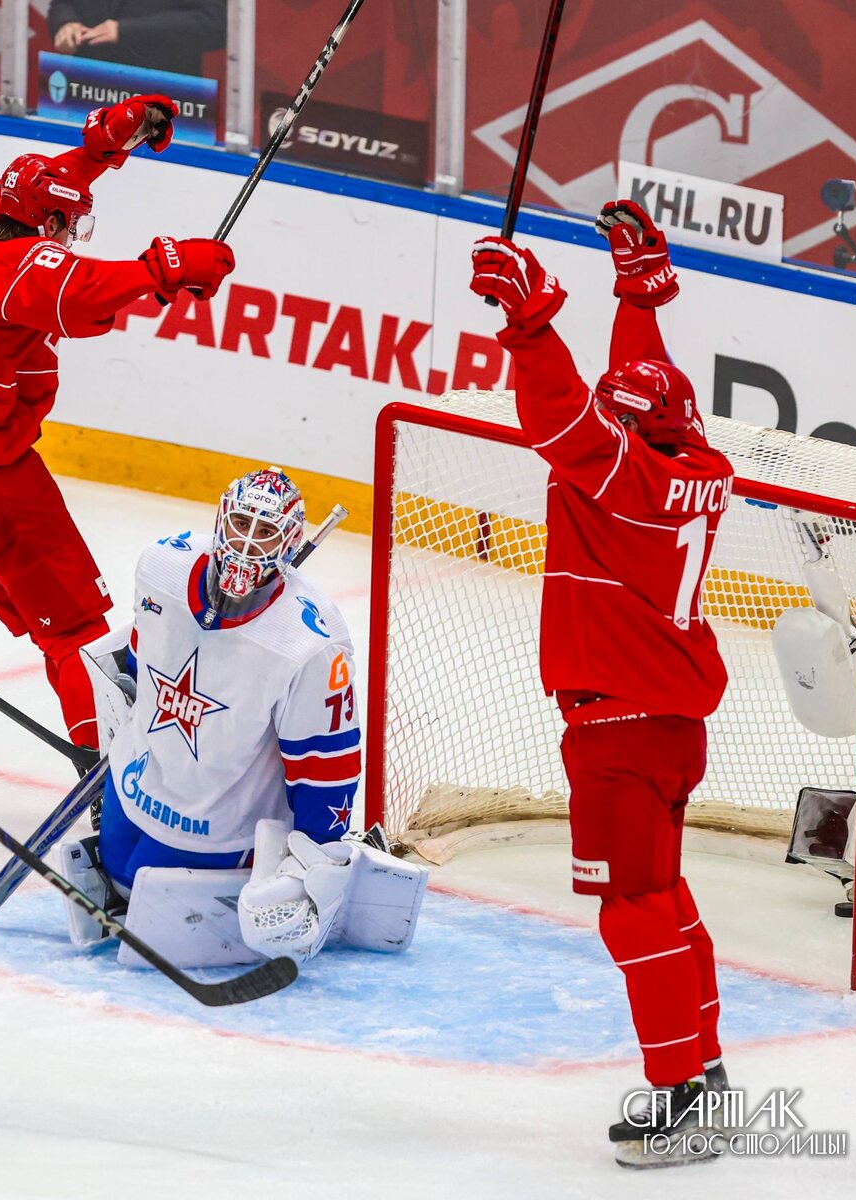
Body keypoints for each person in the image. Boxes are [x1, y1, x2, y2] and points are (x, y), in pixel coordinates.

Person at [469, 201, 732, 1170]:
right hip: (665, 721)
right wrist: (636, 296)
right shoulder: (688, 463)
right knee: (663, 895)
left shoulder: (619, 480)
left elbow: (566, 419)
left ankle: (680, 1099)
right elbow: (644, 397)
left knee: (633, 910)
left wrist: (530, 322)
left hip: (618, 728)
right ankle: (700, 1070)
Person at [0, 95, 235, 755]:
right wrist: (159, 272)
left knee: (46, 621)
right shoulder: (15, 271)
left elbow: (33, 195)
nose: (67, 234)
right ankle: (106, 780)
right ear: (44, 223)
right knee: (76, 634)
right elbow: (74, 291)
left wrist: (104, 146)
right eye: (64, 224)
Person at [59, 467, 426, 967]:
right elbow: (143, 650)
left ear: (291, 542)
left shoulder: (310, 641)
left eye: (267, 532)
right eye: (239, 524)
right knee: (120, 880)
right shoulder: (162, 566)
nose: (248, 544)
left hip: (219, 825)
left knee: (142, 915)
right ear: (218, 521)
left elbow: (326, 763)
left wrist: (312, 859)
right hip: (134, 784)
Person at [48, 1, 226, 79]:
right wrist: (66, 22)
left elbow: (213, 24)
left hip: (161, 100)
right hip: (86, 92)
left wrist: (124, 31)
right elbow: (63, 3)